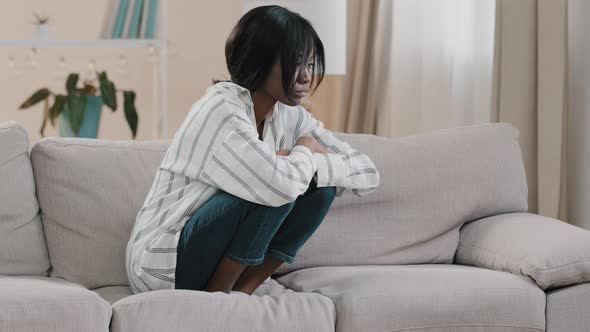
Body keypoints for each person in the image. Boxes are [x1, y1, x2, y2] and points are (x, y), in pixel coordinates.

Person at [125, 5, 380, 296]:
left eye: (310, 65)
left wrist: (300, 158)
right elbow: (278, 184)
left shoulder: (291, 116)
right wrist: (306, 151)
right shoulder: (220, 108)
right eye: (295, 63)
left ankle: (244, 290)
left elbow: (367, 172)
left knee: (321, 188)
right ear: (259, 60)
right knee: (277, 188)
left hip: (216, 257)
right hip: (164, 265)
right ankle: (218, 297)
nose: (306, 76)